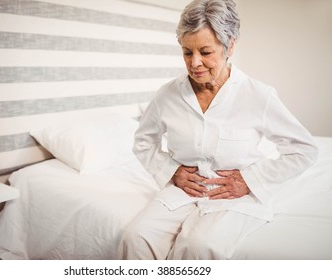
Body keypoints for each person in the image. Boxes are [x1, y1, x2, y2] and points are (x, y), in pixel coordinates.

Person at [118, 0, 318, 260]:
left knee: (199, 245)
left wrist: (249, 181)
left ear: (230, 46)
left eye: (205, 51)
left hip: (234, 196)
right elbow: (144, 142)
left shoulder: (257, 95)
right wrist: (171, 171)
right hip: (183, 192)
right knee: (136, 236)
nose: (195, 63)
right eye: (187, 53)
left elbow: (304, 149)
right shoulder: (167, 94)